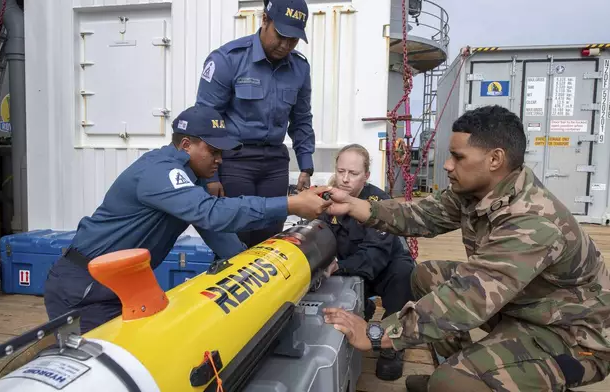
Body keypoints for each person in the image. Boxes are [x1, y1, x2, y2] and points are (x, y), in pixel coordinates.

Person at [321, 105, 610, 392]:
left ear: (495, 159)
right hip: (525, 305)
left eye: (457, 157)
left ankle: (464, 379)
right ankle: (456, 367)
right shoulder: (478, 191)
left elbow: (469, 298)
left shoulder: (533, 223)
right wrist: (354, 205)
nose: (447, 165)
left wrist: (376, 333)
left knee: (452, 383)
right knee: (425, 276)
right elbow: (419, 215)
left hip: (572, 335)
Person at [43, 105, 332, 334]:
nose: (220, 160)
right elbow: (213, 213)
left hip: (123, 286)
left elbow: (221, 235)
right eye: (213, 151)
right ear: (185, 145)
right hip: (85, 286)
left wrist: (261, 268)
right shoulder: (162, 172)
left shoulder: (190, 183)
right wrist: (290, 204)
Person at [195, 0, 315, 249]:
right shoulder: (228, 60)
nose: (285, 45)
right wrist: (211, 176)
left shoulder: (299, 68)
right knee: (234, 243)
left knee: (270, 242)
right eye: (281, 36)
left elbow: (301, 119)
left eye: (293, 40)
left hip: (274, 165)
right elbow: (206, 121)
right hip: (234, 161)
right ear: (264, 21)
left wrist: (306, 166)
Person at [318, 144, 416, 381]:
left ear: (367, 176)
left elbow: (375, 256)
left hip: (383, 270)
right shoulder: (326, 200)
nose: (344, 179)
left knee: (404, 272)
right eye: (341, 171)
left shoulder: (380, 203)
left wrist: (339, 266)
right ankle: (361, 307)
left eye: (353, 174)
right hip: (349, 271)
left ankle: (393, 343)